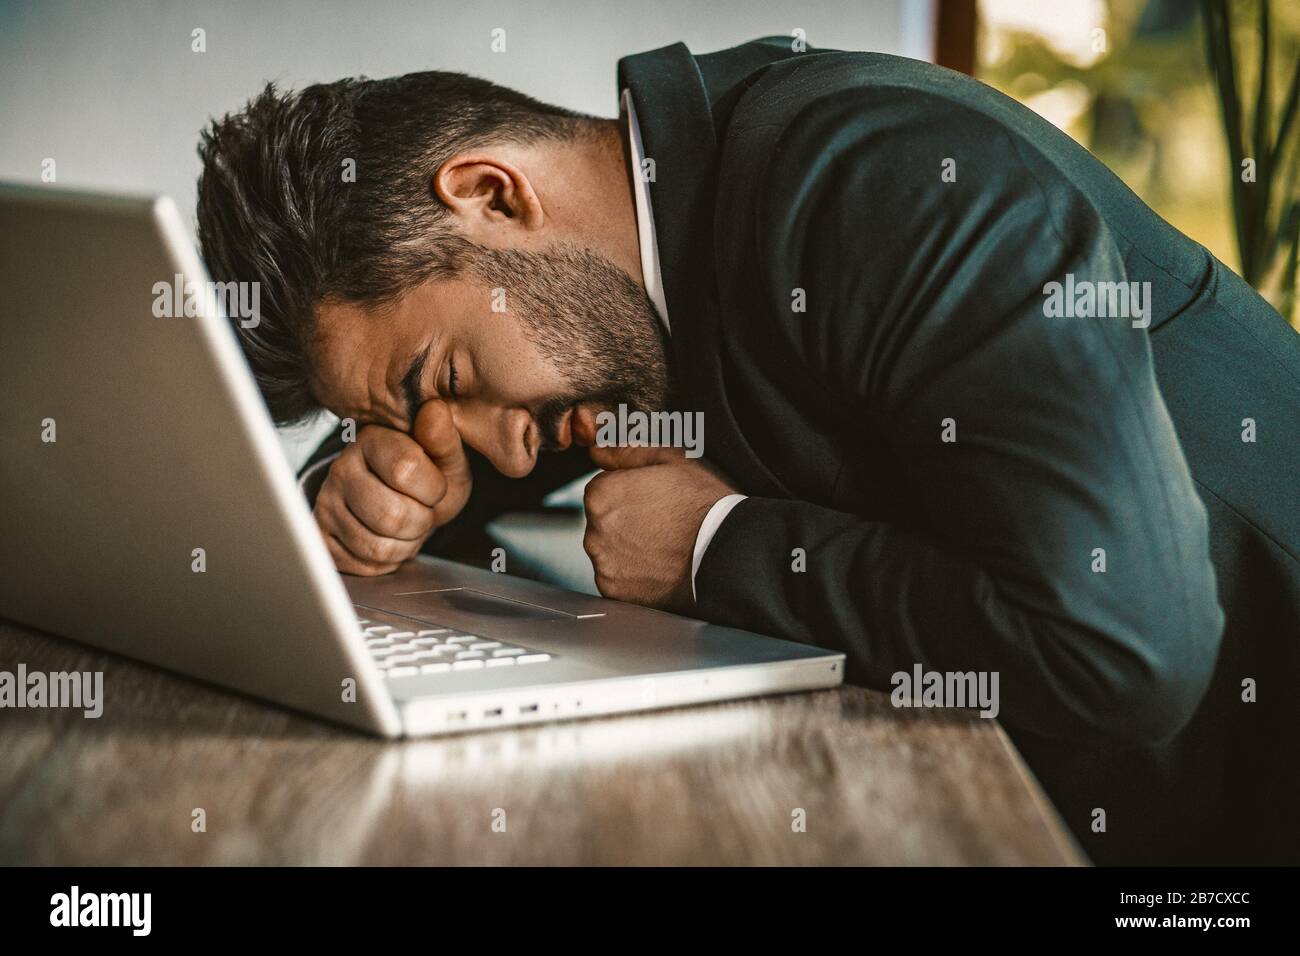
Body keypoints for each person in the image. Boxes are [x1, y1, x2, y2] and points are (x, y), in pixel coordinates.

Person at [196, 37, 1300, 863]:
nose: (501, 452)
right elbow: (471, 456)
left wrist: (717, 546)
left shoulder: (876, 178)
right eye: (408, 414)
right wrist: (362, 487)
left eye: (437, 382)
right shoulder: (621, 288)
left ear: (491, 193)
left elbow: (1122, 651)